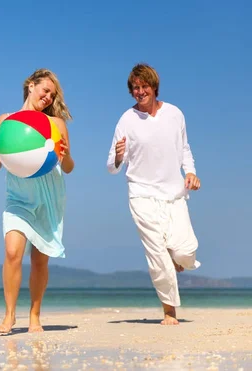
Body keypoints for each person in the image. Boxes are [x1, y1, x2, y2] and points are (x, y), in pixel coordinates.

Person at [106, 63, 201, 325]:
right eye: (135, 88)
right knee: (157, 254)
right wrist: (118, 156)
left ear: (154, 87)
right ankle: (169, 312)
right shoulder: (126, 119)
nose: (140, 91)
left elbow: (184, 148)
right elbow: (111, 168)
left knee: (186, 252)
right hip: (141, 194)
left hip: (174, 193)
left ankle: (177, 259)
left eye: (144, 86)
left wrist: (190, 172)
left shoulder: (174, 114)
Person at [0, 69, 73, 333]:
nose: (47, 97)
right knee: (12, 252)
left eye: (52, 94)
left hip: (48, 196)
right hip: (18, 197)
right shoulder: (6, 121)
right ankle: (9, 315)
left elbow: (68, 167)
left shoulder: (56, 124)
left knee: (40, 261)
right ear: (31, 85)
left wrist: (65, 154)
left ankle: (35, 315)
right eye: (44, 90)